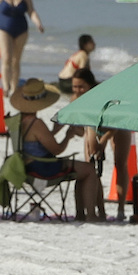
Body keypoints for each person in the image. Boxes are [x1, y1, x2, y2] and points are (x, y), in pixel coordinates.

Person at [12, 78, 103, 219]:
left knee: (82, 170)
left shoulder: (17, 121)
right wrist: (68, 135)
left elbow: (38, 141)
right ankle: (90, 215)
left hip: (24, 165)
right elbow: (57, 150)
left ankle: (81, 214)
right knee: (89, 170)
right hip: (42, 168)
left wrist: (54, 132)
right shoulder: (36, 123)